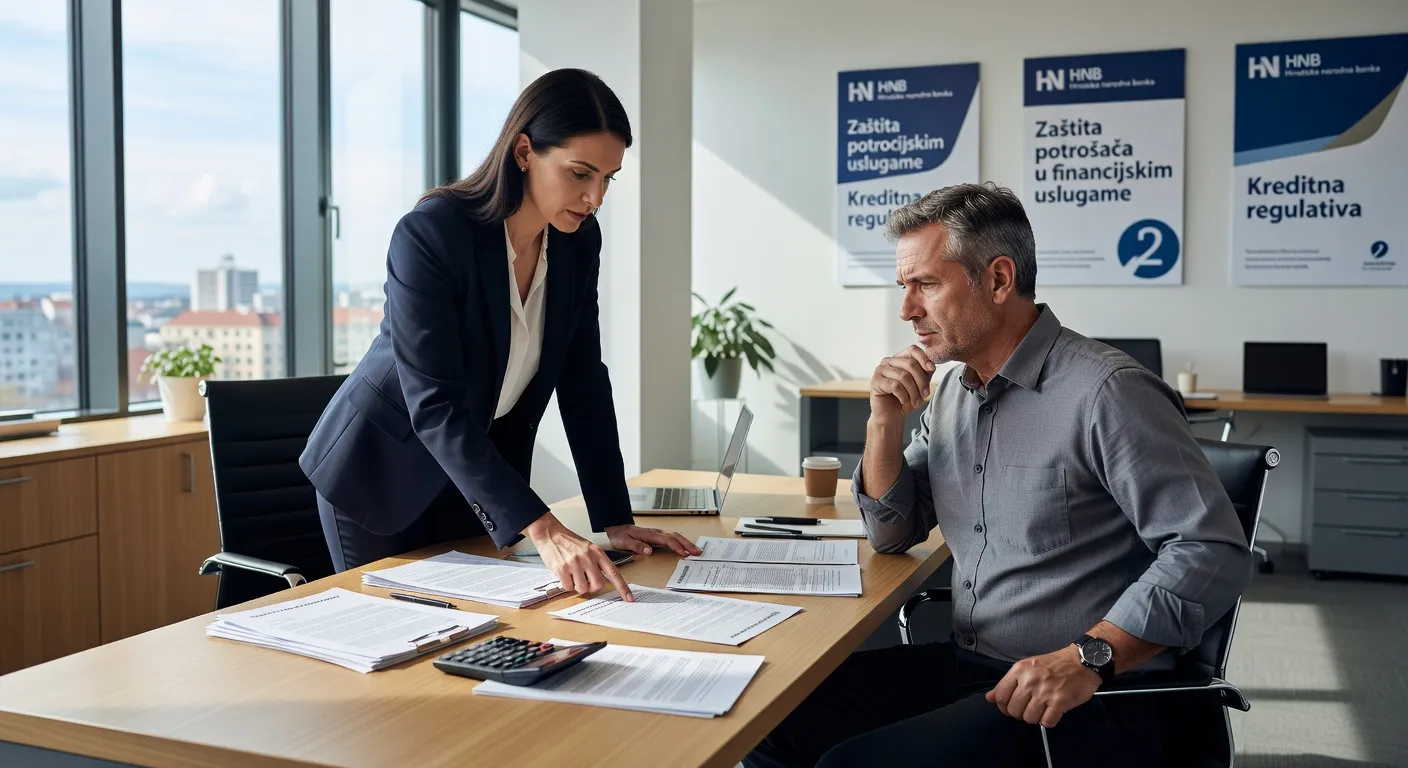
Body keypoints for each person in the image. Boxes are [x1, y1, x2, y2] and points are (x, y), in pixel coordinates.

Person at [747, 183, 1253, 767]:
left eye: (926, 284)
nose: (907, 310)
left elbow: (1210, 550)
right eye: (904, 287)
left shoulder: (1107, 393)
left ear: (998, 279)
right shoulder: (951, 396)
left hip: (1081, 695)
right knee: (767, 714)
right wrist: (882, 423)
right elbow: (892, 531)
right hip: (974, 667)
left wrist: (1088, 657)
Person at [299, 68, 700, 601]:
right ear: (524, 152)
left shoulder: (578, 242)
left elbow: (583, 380)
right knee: (395, 634)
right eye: (580, 173)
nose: (595, 197)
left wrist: (615, 518)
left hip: (477, 482)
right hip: (381, 478)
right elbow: (434, 405)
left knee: (483, 628)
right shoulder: (432, 234)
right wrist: (545, 528)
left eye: (608, 178)